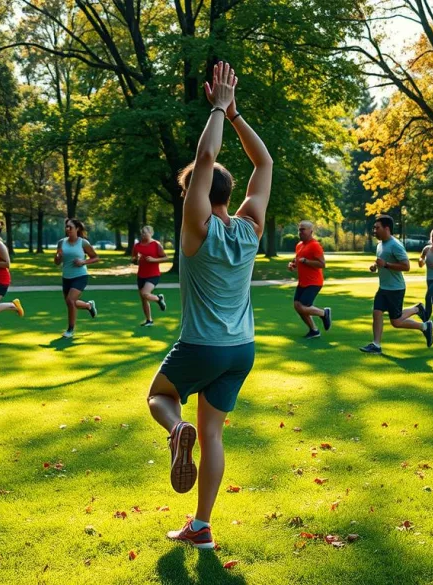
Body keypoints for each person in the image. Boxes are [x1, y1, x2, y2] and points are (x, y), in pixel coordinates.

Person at [147, 62, 271, 550]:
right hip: (242, 348)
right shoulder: (250, 226)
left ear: (196, 193)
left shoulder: (197, 228)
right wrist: (238, 116)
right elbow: (264, 166)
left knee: (159, 396)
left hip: (202, 344)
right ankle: (201, 527)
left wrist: (219, 108)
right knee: (214, 434)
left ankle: (176, 429)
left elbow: (205, 153)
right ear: (229, 194)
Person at [359, 215, 433, 353]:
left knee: (396, 322)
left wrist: (386, 265)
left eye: (377, 228)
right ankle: (376, 345)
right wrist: (375, 266)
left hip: (395, 289)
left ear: (386, 228)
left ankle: (423, 322)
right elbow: (381, 261)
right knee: (377, 312)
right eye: (374, 228)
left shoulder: (395, 245)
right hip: (383, 288)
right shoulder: (380, 244)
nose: (374, 230)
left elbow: (406, 266)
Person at [53, 218, 99, 338]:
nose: (67, 229)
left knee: (70, 300)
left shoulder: (83, 243)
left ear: (77, 229)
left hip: (80, 276)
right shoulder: (61, 243)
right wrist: (58, 256)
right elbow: (57, 262)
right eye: (66, 227)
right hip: (66, 277)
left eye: (70, 227)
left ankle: (70, 329)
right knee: (70, 302)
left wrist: (83, 262)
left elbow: (95, 257)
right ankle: (89, 306)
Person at [287, 220, 331, 339]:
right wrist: (292, 264)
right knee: (297, 306)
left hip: (314, 282)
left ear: (311, 231)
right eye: (299, 229)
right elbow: (297, 259)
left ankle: (324, 313)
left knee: (302, 306)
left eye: (303, 229)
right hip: (303, 282)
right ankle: (314, 330)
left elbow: (322, 264)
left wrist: (306, 261)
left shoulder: (315, 245)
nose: (300, 232)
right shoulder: (299, 245)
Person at [131, 225, 169, 326]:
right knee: (144, 299)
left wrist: (154, 260)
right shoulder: (137, 246)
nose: (143, 234)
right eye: (142, 232)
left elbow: (166, 257)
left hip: (153, 274)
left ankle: (159, 299)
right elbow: (133, 259)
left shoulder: (156, 244)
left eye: (145, 232)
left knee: (145, 294)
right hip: (141, 275)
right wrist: (135, 260)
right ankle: (149, 320)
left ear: (151, 233)